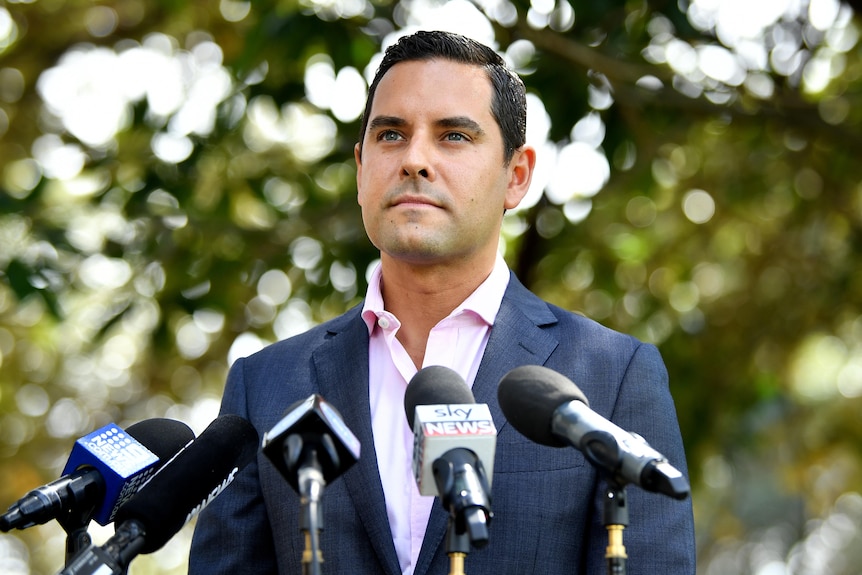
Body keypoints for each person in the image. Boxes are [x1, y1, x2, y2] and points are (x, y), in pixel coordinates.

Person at [188, 30, 695, 574]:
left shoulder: (609, 380)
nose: (414, 160)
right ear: (361, 171)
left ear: (516, 176)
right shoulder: (266, 385)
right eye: (391, 135)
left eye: (453, 136)